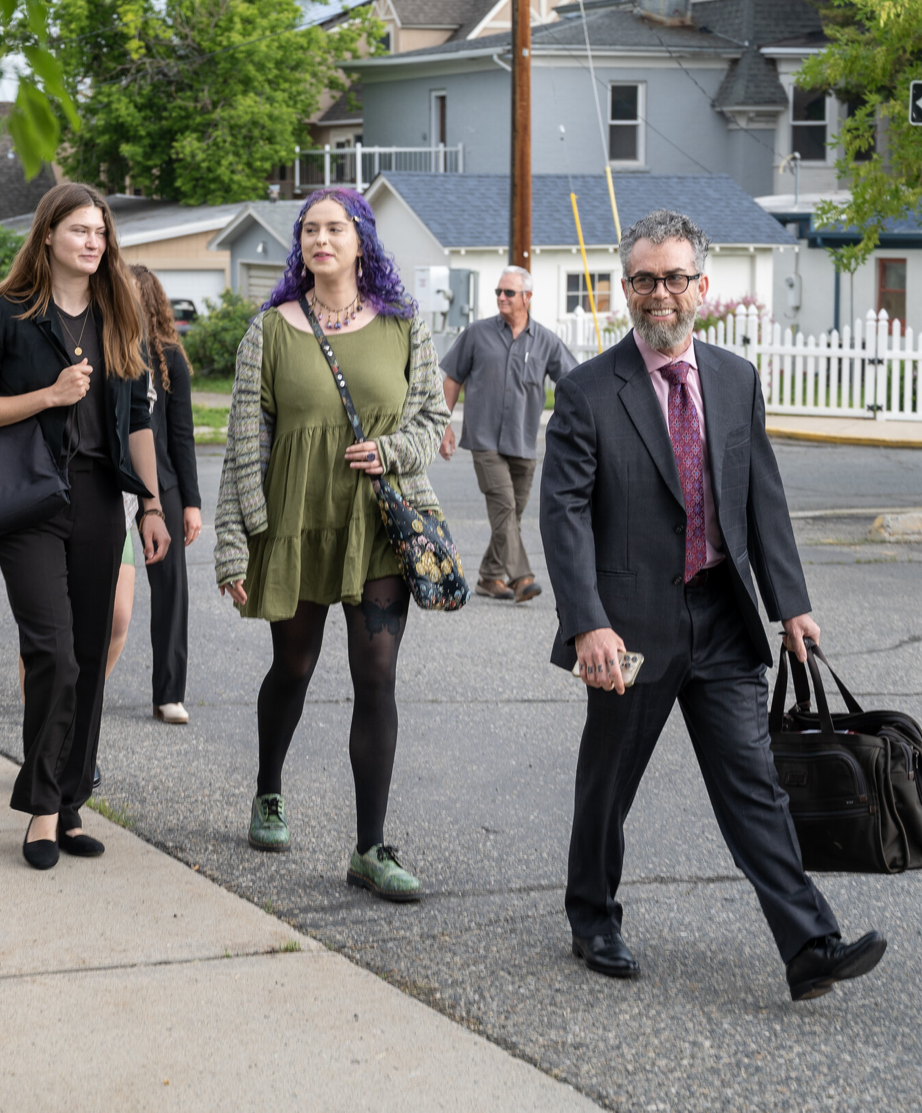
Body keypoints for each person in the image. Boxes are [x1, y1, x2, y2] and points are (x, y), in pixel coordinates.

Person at [539, 208, 886, 1001]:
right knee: (609, 785)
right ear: (625, 288)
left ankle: (810, 945)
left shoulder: (735, 378)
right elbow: (561, 516)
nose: (658, 294)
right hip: (627, 630)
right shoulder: (591, 391)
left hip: (723, 620)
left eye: (673, 278)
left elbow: (763, 496)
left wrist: (789, 604)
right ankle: (592, 917)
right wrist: (587, 621)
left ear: (702, 285)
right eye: (643, 280)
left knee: (754, 785)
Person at [212, 188, 447, 903]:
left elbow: (433, 416)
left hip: (377, 524)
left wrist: (392, 449)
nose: (321, 238)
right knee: (295, 663)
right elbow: (243, 442)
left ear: (361, 240)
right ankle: (269, 791)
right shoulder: (270, 329)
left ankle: (370, 846)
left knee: (376, 675)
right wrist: (232, 544)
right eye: (309, 229)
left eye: (334, 228)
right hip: (295, 520)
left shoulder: (405, 326)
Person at [0, 182, 172, 870]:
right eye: (80, 229)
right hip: (28, 500)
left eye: (101, 232)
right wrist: (48, 396)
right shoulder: (3, 314)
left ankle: (71, 800)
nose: (93, 241)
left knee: (88, 654)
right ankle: (43, 811)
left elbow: (137, 417)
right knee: (51, 650)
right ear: (47, 235)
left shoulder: (118, 313)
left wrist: (152, 505)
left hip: (99, 498)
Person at [437, 265, 577, 603]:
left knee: (510, 516)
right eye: (498, 292)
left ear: (527, 298)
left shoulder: (545, 340)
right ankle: (522, 577)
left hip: (524, 441)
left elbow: (573, 384)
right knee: (504, 508)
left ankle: (488, 578)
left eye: (509, 293)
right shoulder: (476, 333)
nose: (501, 297)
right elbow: (452, 378)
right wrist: (443, 425)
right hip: (484, 440)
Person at [131, 265, 202, 723]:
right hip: (113, 482)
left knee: (172, 589)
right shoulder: (100, 346)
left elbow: (183, 435)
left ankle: (169, 693)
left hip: (166, 486)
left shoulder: (169, 357)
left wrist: (192, 503)